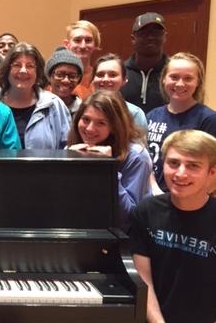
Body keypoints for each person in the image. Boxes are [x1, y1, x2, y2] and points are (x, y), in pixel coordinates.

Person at [130, 129, 216, 323]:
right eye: (174, 163)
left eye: (193, 166)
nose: (180, 173)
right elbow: (144, 280)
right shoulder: (146, 210)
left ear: (211, 173)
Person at [67, 91, 152, 229]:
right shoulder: (73, 148)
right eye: (86, 119)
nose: (89, 128)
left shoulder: (137, 156)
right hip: (84, 229)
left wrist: (107, 168)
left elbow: (128, 216)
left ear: (114, 127)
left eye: (101, 123)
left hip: (122, 237)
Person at [146, 52, 216, 194]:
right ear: (164, 79)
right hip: (153, 196)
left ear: (198, 83)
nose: (180, 83)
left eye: (188, 78)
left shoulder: (208, 119)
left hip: (188, 201)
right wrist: (154, 188)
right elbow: (145, 160)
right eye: (174, 77)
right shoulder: (152, 116)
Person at [0, 42, 71, 149]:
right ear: (7, 70)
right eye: (17, 65)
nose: (23, 70)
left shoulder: (54, 104)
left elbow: (67, 148)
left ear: (38, 72)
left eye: (30, 66)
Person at [121, 12, 169, 114]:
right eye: (144, 33)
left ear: (165, 37)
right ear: (133, 38)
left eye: (157, 33)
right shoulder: (121, 72)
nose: (150, 37)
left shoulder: (174, 73)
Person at [91, 53, 148, 131]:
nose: (105, 79)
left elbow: (140, 142)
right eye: (100, 75)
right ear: (93, 79)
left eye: (112, 75)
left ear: (124, 80)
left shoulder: (135, 113)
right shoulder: (83, 108)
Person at [63, 20, 101, 100]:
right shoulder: (57, 77)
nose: (83, 46)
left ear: (96, 44)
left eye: (88, 40)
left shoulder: (101, 77)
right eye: (77, 40)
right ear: (66, 44)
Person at [45, 46, 84, 116]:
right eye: (60, 75)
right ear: (49, 77)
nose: (66, 80)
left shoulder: (83, 110)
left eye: (72, 76)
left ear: (78, 79)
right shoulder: (38, 106)